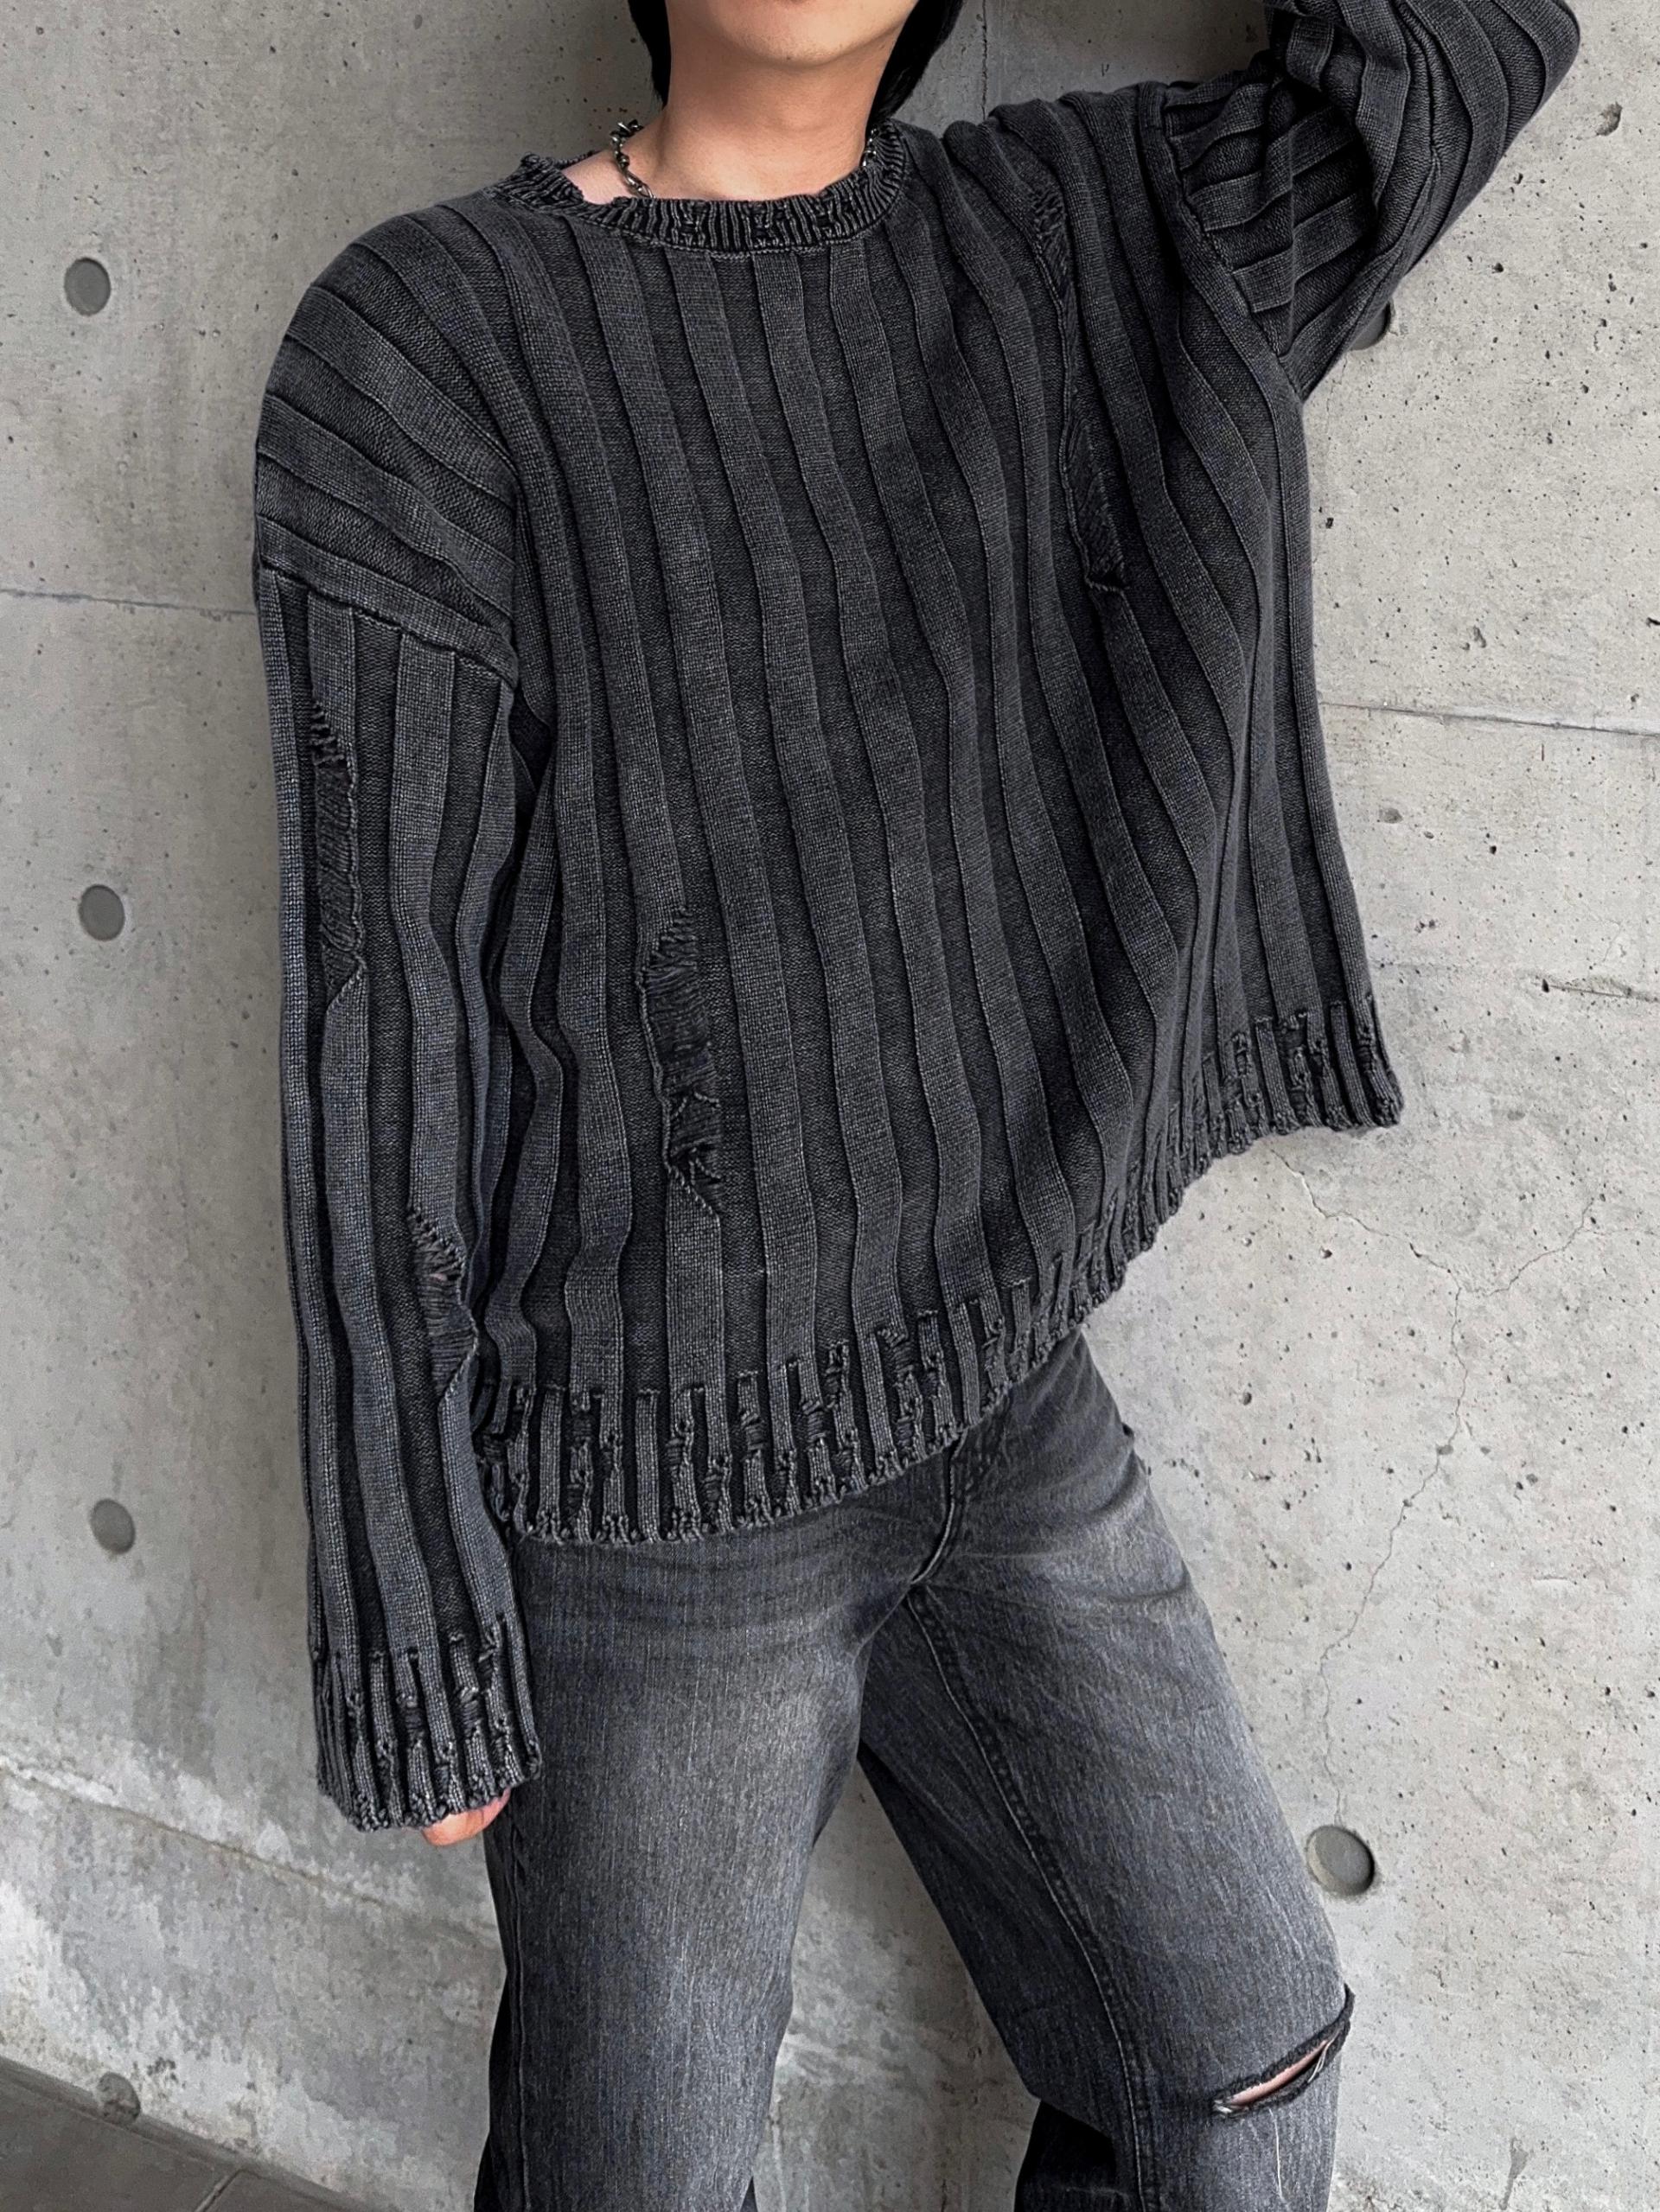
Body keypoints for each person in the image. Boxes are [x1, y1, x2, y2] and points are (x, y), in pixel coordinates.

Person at [249, 1, 1580, 2204]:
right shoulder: (432, 339)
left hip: (1003, 1392)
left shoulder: (1088, 236)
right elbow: (381, 1004)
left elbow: (1461, 48)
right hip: (648, 1485)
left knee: (1240, 2073)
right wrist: (410, 1594)